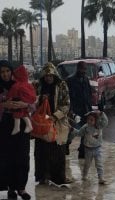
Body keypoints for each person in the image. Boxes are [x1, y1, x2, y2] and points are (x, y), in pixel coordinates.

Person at [34, 62, 71, 185]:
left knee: (58, 151)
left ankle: (59, 178)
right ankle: (43, 177)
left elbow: (66, 105)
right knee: (41, 151)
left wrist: (55, 116)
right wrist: (40, 99)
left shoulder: (62, 85)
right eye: (46, 75)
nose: (48, 78)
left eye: (50, 75)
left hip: (57, 124)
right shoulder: (39, 86)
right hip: (42, 124)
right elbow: (32, 103)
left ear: (54, 75)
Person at [0, 60, 32, 200]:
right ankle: (11, 188)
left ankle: (22, 188)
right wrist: (3, 104)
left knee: (23, 156)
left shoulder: (20, 83)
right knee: (7, 157)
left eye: (7, 71)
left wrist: (25, 103)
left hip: (22, 127)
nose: (5, 74)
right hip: (4, 126)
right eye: (2, 72)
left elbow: (33, 103)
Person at [71, 110, 109, 184]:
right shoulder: (85, 127)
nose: (89, 121)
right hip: (88, 150)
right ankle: (84, 176)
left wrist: (102, 113)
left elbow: (105, 121)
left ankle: (101, 178)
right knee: (87, 164)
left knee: (99, 164)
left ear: (96, 120)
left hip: (97, 149)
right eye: (88, 119)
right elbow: (79, 133)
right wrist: (73, 130)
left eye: (91, 120)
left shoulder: (99, 125)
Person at [66, 61, 93, 158]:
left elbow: (88, 94)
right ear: (77, 68)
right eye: (82, 69)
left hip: (85, 109)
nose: (83, 71)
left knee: (86, 131)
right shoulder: (70, 80)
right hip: (74, 110)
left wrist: (90, 108)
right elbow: (67, 97)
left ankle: (82, 152)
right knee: (72, 131)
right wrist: (70, 110)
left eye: (85, 69)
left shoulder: (86, 79)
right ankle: (66, 145)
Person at [6, 65, 37, 135]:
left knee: (17, 115)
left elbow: (12, 93)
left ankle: (17, 127)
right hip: (25, 103)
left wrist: (8, 97)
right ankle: (28, 125)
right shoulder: (28, 84)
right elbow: (34, 96)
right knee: (24, 115)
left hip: (18, 104)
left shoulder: (17, 85)